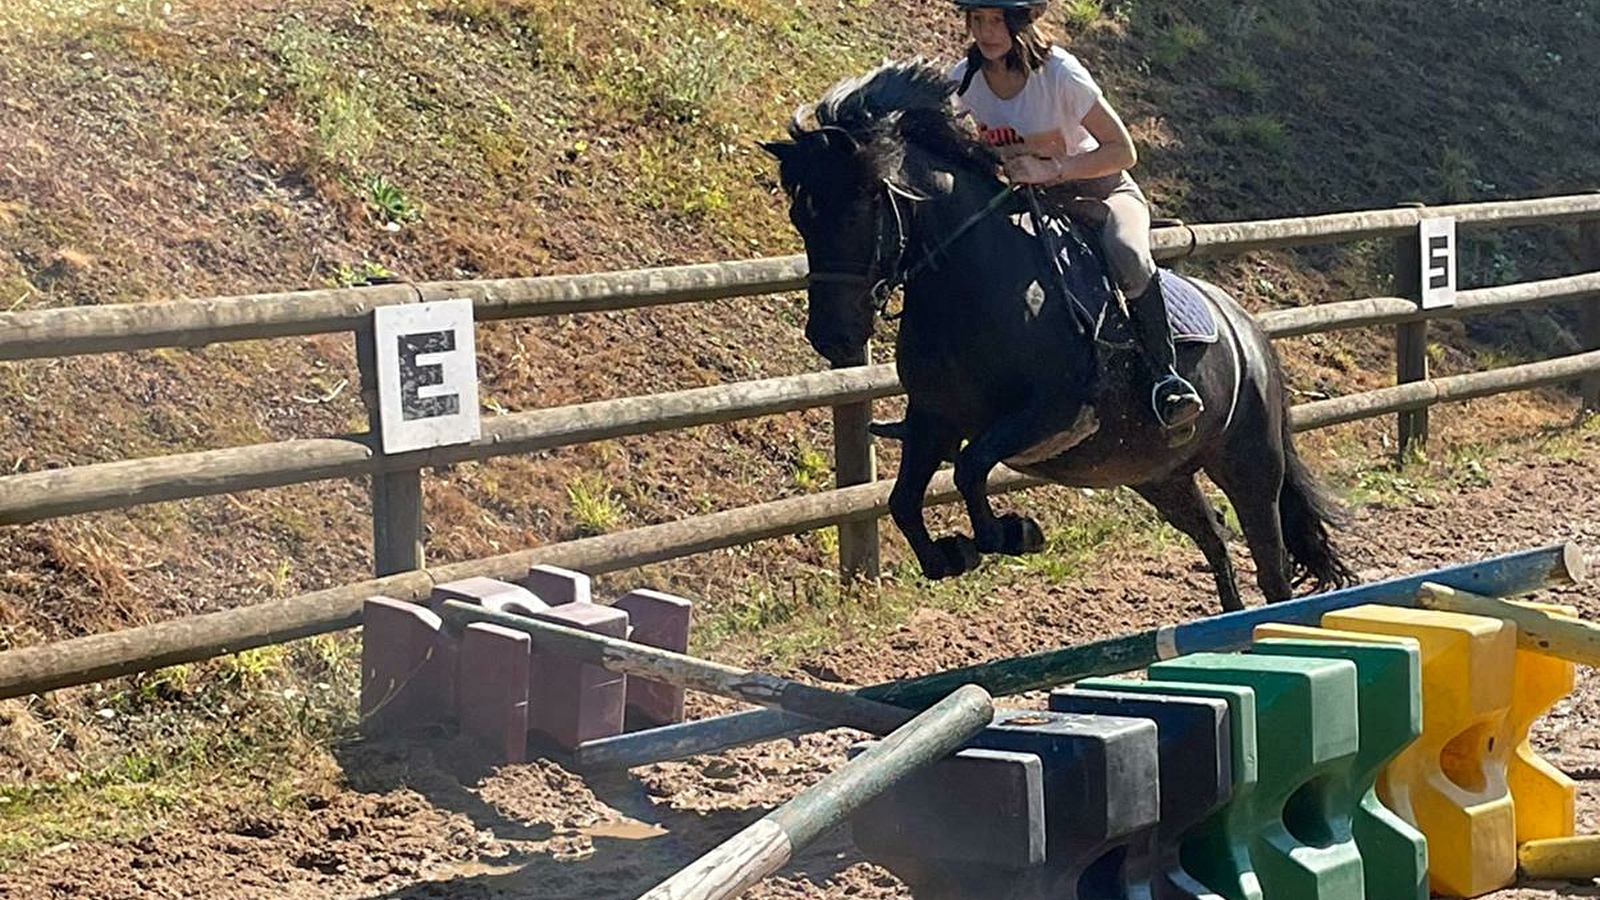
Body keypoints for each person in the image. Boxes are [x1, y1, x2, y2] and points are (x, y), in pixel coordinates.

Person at [947, 0, 1204, 435]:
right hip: (1030, 200)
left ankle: (1166, 379)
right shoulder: (964, 79)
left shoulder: (1059, 73)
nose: (986, 32)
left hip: (1101, 190)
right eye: (977, 21)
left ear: (1018, 23)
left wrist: (1053, 170)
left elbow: (1124, 151)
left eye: (995, 21)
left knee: (1126, 254)